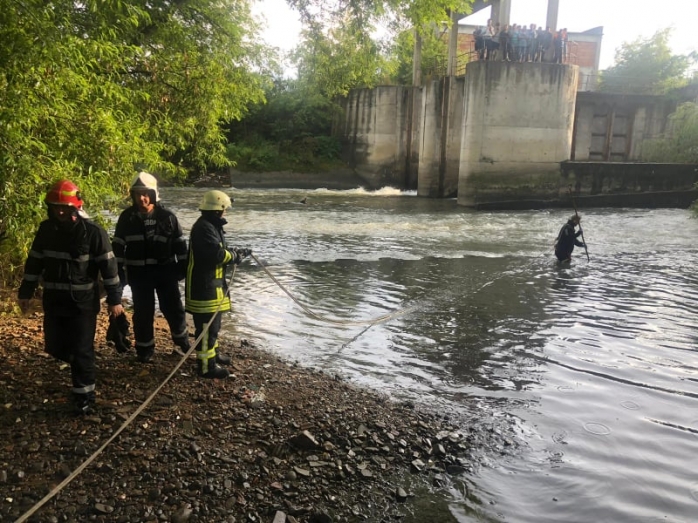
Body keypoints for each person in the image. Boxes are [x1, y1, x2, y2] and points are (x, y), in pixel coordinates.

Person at [17, 179, 124, 415]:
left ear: (75, 206)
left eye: (64, 206)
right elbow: (34, 263)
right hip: (54, 302)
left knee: (82, 349)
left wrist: (115, 300)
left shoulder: (93, 233)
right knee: (54, 346)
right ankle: (77, 366)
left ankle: (84, 396)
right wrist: (25, 292)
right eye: (56, 206)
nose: (60, 211)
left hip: (83, 305)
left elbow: (109, 269)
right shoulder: (46, 230)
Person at [112, 172, 189, 363]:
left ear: (154, 194)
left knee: (173, 309)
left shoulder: (168, 217)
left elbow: (181, 249)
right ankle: (144, 349)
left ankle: (183, 342)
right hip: (139, 277)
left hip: (165, 275)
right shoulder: (127, 218)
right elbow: (117, 250)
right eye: (137, 193)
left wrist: (180, 272)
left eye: (146, 193)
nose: (141, 198)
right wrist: (118, 279)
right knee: (143, 313)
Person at [185, 190, 251, 379]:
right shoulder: (204, 228)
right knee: (207, 329)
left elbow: (218, 249)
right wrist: (235, 256)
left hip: (210, 286)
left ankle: (213, 356)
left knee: (213, 326)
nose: (226, 213)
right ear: (218, 209)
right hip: (205, 289)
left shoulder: (209, 226)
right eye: (225, 209)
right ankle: (206, 367)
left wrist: (235, 251)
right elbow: (217, 255)